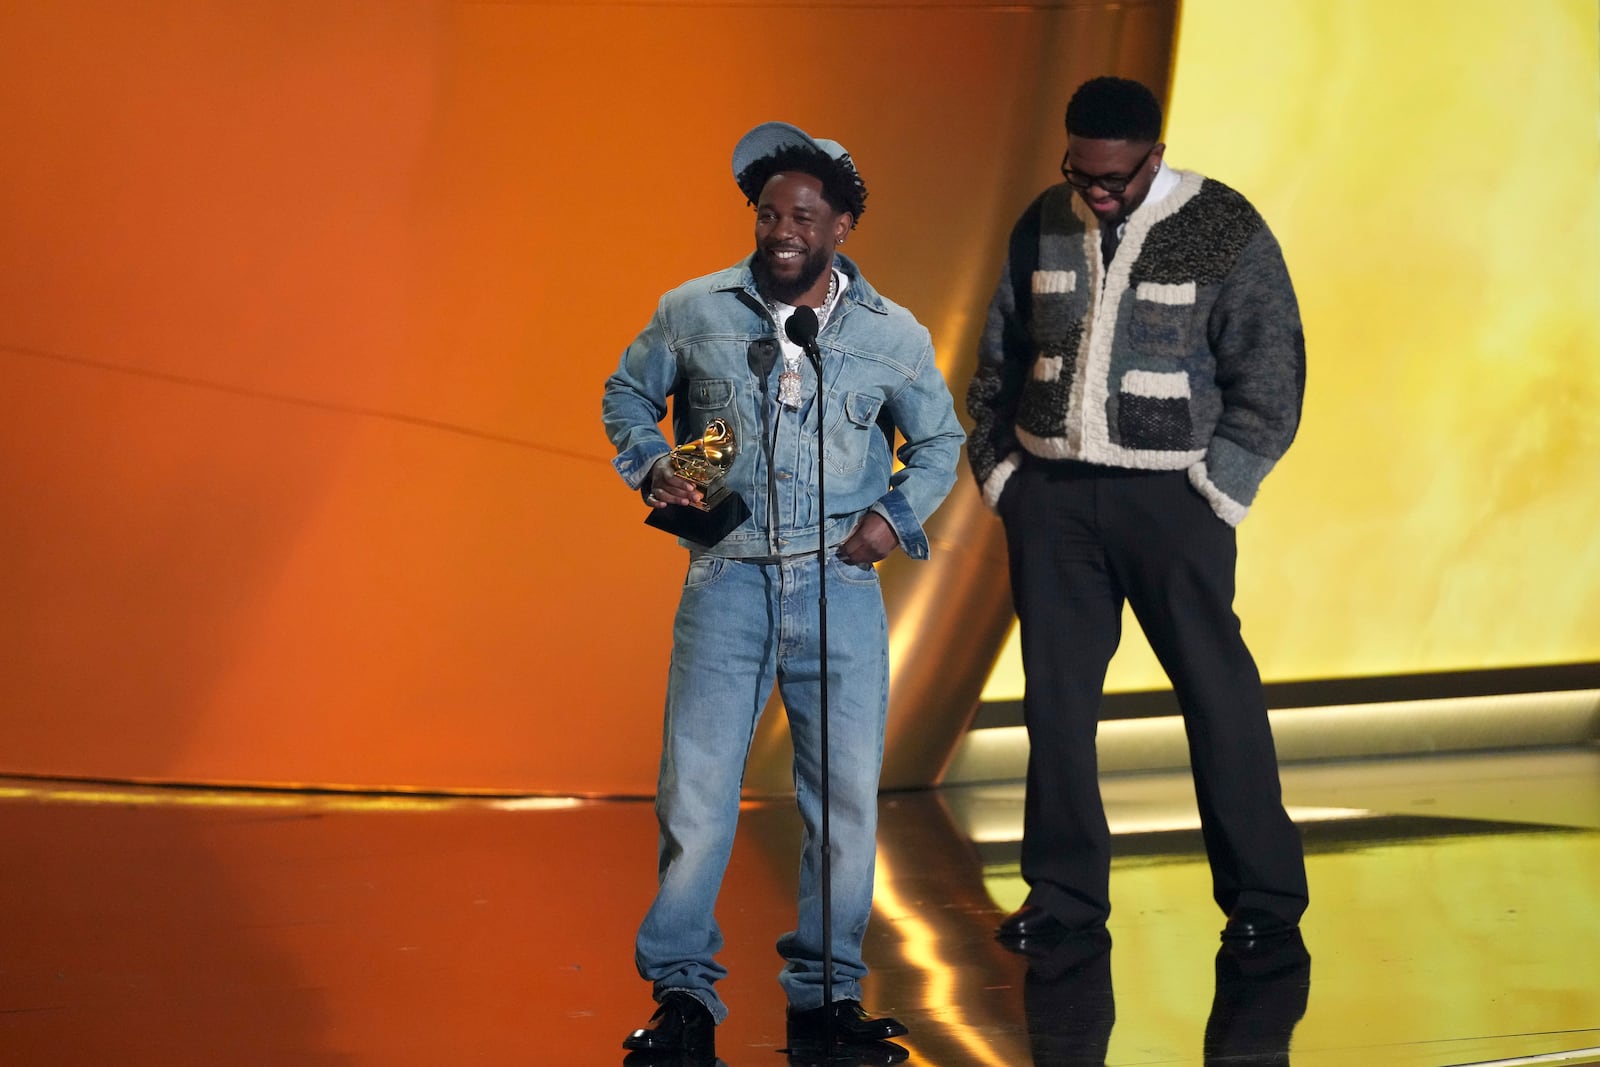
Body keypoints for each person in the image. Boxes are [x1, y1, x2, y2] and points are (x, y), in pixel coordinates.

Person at [603, 121, 964, 1059]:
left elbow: (939, 441)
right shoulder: (694, 310)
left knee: (841, 801)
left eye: (803, 214)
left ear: (842, 223)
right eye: (768, 214)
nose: (782, 230)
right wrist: (651, 469)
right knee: (697, 796)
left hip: (839, 586)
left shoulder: (894, 335)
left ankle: (828, 997)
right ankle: (683, 995)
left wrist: (890, 519)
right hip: (727, 579)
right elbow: (626, 394)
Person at [965, 76, 1309, 949]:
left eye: (1114, 177)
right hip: (1053, 500)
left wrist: (1218, 491)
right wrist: (1004, 474)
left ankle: (1265, 902)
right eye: (1084, 174)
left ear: (1155, 155)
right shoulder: (1044, 217)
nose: (1098, 191)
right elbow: (999, 355)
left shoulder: (1222, 224)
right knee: (1057, 704)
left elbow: (1271, 373)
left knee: (1217, 694)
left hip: (1172, 501)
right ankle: (1064, 896)